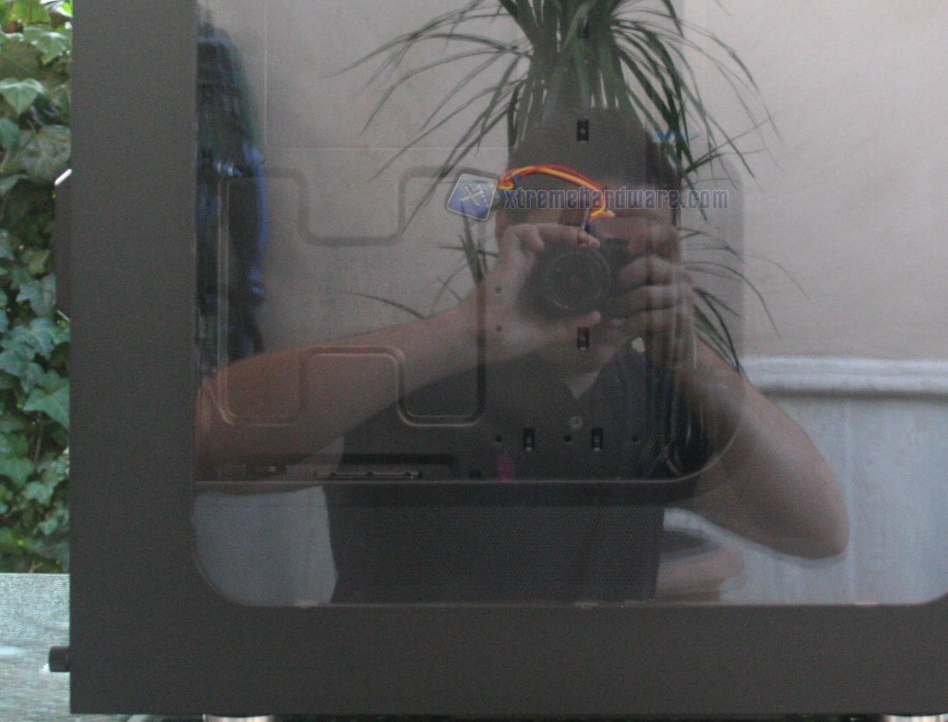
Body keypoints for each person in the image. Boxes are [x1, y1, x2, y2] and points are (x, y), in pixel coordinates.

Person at [197, 108, 847, 602]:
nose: (603, 272)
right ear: (509, 230)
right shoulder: (414, 380)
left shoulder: (653, 398)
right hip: (404, 716)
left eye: (634, 253)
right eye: (584, 244)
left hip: (584, 719)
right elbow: (202, 442)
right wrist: (468, 332)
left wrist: (693, 358)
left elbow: (820, 531)